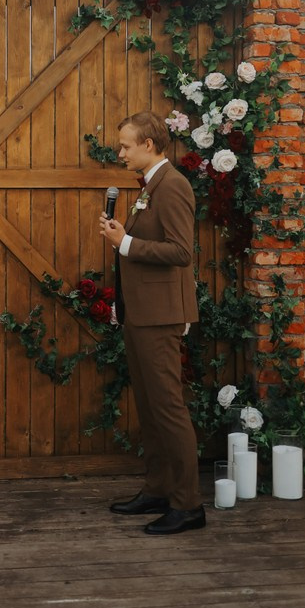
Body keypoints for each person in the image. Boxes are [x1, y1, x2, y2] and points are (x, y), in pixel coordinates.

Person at [99, 111, 203, 536]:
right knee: (150, 407)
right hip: (141, 314)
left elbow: (180, 252)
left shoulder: (173, 185)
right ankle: (160, 490)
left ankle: (188, 505)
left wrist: (123, 241)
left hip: (161, 317)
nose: (120, 153)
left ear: (149, 144)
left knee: (168, 409)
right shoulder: (150, 187)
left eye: (126, 145)